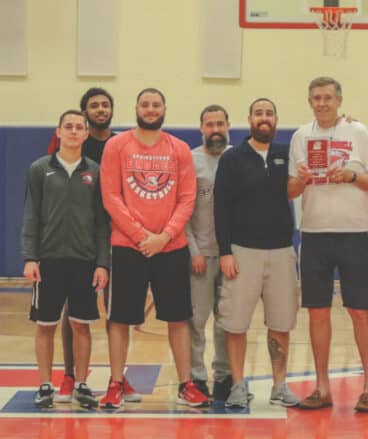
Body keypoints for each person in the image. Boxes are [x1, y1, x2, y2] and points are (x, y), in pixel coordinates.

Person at [99, 88, 208, 409]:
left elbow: (187, 198)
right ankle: (116, 383)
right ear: (136, 108)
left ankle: (186, 384)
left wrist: (165, 236)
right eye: (145, 104)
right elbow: (111, 196)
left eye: (156, 104)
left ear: (164, 109)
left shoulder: (179, 149)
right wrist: (139, 234)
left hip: (171, 247)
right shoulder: (116, 146)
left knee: (178, 318)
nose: (150, 109)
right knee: (119, 319)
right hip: (127, 247)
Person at [288, 76, 368, 412]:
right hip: (313, 235)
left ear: (339, 100)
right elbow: (290, 190)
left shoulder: (358, 132)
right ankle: (321, 386)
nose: (322, 103)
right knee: (317, 313)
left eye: (328, 97)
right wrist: (300, 181)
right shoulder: (301, 137)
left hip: (355, 234)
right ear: (309, 101)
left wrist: (352, 176)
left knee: (360, 311)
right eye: (316, 98)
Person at [50, 88, 142, 404]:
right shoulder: (72, 143)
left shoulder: (124, 144)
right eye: (94, 106)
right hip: (79, 240)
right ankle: (70, 374)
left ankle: (118, 376)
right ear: (84, 113)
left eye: (105, 105)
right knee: (72, 310)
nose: (101, 109)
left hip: (118, 236)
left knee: (117, 308)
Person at [213, 98, 300, 409]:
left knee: (281, 322)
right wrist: (225, 252)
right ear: (249, 119)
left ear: (276, 119)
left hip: (281, 251)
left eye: (269, 113)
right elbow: (220, 208)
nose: (264, 118)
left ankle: (279, 385)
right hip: (242, 251)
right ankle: (237, 385)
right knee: (235, 323)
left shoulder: (287, 154)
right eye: (258, 113)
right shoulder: (233, 158)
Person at [22, 110, 110, 409]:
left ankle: (82, 383)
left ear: (87, 134)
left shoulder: (95, 171)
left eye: (79, 127)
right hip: (47, 261)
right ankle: (45, 384)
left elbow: (101, 223)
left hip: (84, 262)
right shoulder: (39, 169)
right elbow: (31, 215)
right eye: (68, 126)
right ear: (58, 132)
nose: (74, 131)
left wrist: (102, 262)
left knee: (81, 325)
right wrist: (30, 257)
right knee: (45, 325)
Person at [186, 104, 233, 401]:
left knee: (227, 320)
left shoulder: (239, 159)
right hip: (200, 254)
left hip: (232, 256)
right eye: (209, 124)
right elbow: (183, 212)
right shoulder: (189, 161)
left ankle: (224, 376)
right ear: (201, 128)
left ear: (228, 126)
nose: (215, 129)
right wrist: (193, 250)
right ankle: (196, 377)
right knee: (196, 320)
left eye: (220, 123)